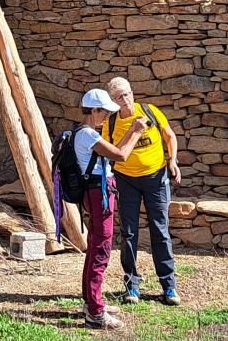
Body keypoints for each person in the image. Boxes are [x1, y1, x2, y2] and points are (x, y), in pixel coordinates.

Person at [99, 76, 183, 306]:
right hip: (126, 180)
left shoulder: (150, 111)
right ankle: (132, 286)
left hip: (156, 178)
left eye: (126, 94)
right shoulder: (112, 123)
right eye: (118, 97)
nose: (124, 100)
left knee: (160, 230)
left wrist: (172, 160)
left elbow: (170, 136)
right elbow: (110, 152)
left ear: (132, 93)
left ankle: (169, 286)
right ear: (113, 101)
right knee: (129, 232)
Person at [73, 88, 147, 330]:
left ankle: (91, 302)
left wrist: (131, 132)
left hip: (96, 192)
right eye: (104, 112)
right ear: (93, 110)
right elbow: (122, 156)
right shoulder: (87, 135)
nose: (106, 117)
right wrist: (136, 132)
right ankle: (95, 312)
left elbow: (114, 153)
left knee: (95, 246)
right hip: (99, 194)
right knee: (101, 249)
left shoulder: (85, 132)